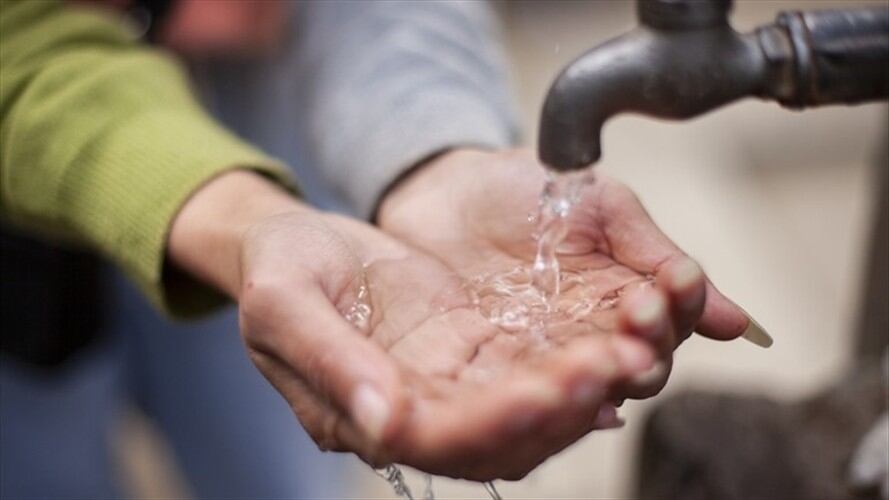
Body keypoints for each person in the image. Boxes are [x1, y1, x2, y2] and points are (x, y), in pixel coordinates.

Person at [0, 0, 756, 495]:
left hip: (244, 73)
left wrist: (429, 154)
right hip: (29, 164)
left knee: (276, 468)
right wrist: (228, 210)